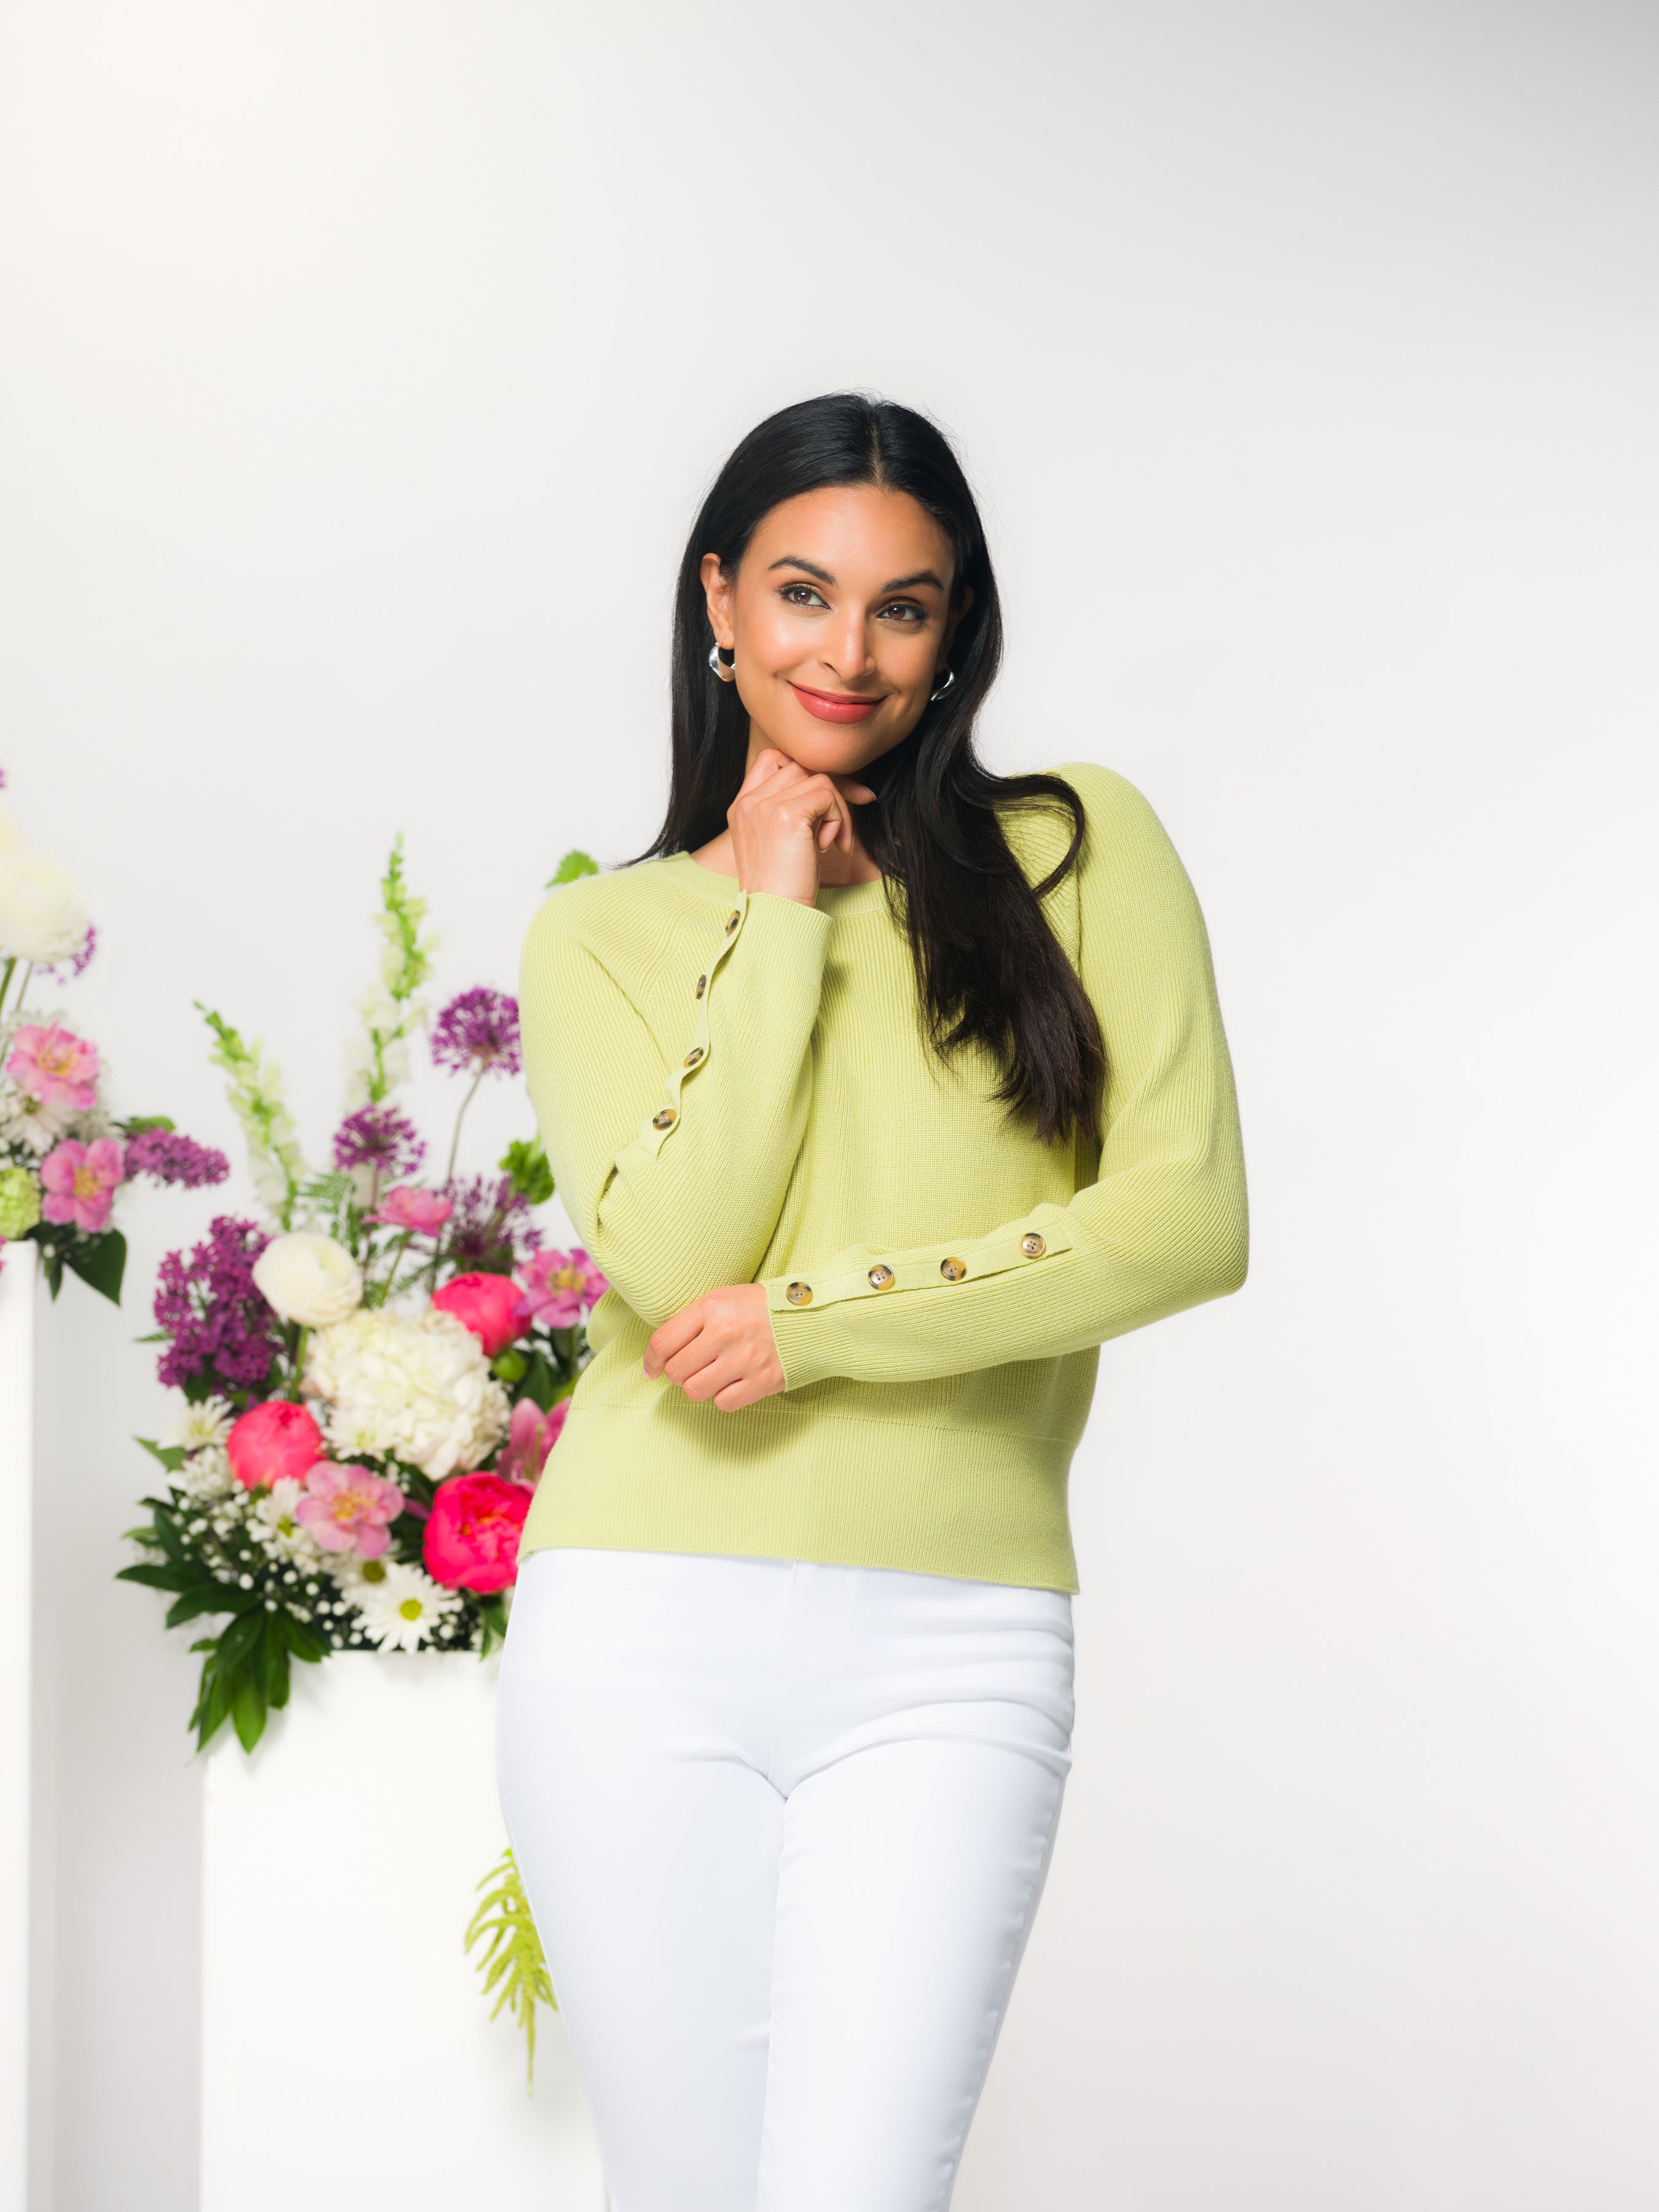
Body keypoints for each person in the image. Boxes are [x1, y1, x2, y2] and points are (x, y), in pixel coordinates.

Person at [496, 392, 1247, 2212]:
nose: (847, 648)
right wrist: (773, 911)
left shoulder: (1077, 849)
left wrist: (815, 1324)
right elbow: (678, 1261)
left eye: (902, 606)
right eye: (803, 593)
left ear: (953, 632)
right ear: (721, 605)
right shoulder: (602, 931)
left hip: (954, 1638)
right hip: (637, 1623)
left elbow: (1182, 1222)